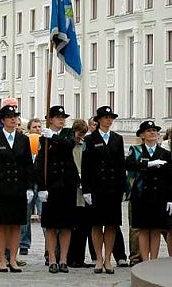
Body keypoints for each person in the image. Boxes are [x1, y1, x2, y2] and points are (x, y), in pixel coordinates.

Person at [0, 105, 34, 273]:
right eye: (10, 116)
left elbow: (28, 165)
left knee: (15, 224)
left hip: (18, 187)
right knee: (0, 224)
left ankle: (13, 258)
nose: (13, 119)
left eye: (15, 116)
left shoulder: (23, 139)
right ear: (3, 120)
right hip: (1, 187)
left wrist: (29, 187)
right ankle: (2, 258)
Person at [81, 106, 126, 275]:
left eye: (111, 117)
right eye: (106, 117)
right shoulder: (90, 139)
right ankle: (98, 258)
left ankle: (108, 258)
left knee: (112, 224)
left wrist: (122, 187)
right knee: (96, 224)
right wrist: (86, 190)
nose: (109, 120)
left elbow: (121, 165)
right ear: (99, 120)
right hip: (96, 188)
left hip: (113, 188)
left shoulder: (117, 139)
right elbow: (86, 167)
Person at [36, 106, 79, 274]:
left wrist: (53, 137)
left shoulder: (67, 133)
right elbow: (40, 163)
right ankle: (52, 258)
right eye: (58, 117)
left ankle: (64, 259)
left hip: (67, 184)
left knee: (67, 225)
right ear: (50, 119)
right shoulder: (43, 138)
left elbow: (69, 145)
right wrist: (41, 187)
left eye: (63, 117)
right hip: (51, 185)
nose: (61, 119)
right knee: (52, 225)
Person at [126, 121, 172, 261]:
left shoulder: (164, 153)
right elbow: (129, 165)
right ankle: (145, 260)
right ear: (142, 135)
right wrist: (148, 164)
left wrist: (170, 198)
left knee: (156, 229)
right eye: (149, 131)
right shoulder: (136, 150)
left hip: (159, 197)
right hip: (141, 196)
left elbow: (170, 178)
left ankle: (154, 260)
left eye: (155, 131)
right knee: (143, 229)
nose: (152, 133)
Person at [67, 119, 95, 268]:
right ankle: (70, 258)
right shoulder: (69, 145)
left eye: (83, 134)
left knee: (84, 227)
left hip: (84, 190)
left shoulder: (85, 145)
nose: (80, 136)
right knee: (73, 227)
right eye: (79, 133)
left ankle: (80, 258)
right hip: (73, 189)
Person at [20, 118, 42, 256]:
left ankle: (49, 246)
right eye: (34, 127)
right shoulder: (24, 144)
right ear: (29, 129)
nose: (37, 129)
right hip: (27, 184)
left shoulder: (44, 144)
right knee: (25, 215)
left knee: (43, 214)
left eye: (39, 127)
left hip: (40, 184)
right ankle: (23, 243)